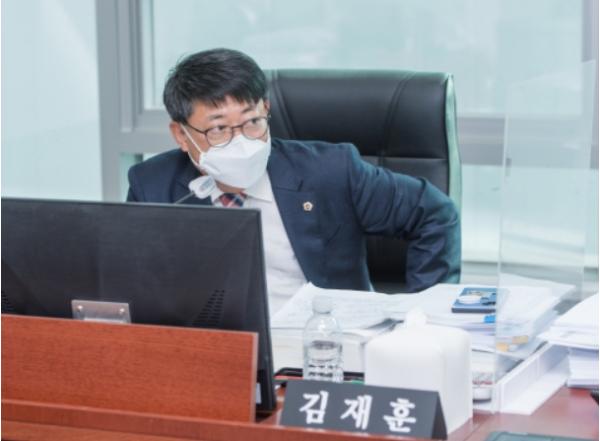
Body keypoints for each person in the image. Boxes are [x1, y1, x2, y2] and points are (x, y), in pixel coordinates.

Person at [127, 48, 461, 314]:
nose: (241, 140)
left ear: (266, 109)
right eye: (218, 129)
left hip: (324, 344)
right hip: (219, 351)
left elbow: (434, 213)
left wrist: (423, 317)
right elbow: (138, 287)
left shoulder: (330, 170)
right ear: (181, 135)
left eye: (252, 121)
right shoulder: (153, 186)